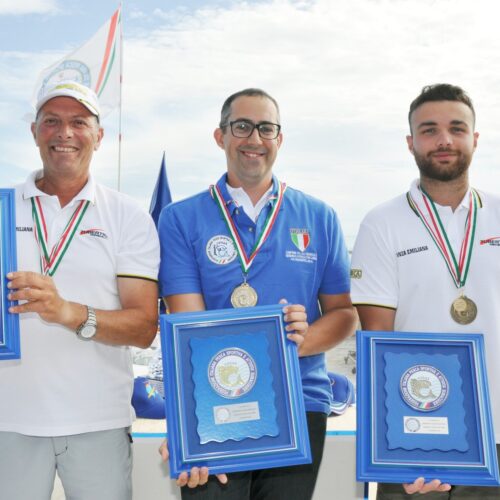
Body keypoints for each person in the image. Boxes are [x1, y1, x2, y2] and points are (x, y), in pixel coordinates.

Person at [158, 88, 356, 499]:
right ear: (221, 136)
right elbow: (187, 326)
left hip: (301, 401)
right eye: (242, 126)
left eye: (266, 128)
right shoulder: (180, 219)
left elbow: (343, 314)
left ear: (279, 139)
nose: (254, 139)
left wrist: (301, 341)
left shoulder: (319, 217)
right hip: (214, 405)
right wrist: (185, 425)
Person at [0, 81, 160, 500]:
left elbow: (144, 326)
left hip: (98, 423)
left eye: (78, 122)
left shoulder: (127, 215)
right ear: (34, 131)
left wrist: (66, 311)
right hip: (8, 422)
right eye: (51, 121)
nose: (64, 133)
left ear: (99, 135)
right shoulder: (1, 207)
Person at [351, 83, 500, 499]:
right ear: (411, 142)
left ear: (475, 137)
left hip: (498, 432)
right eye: (429, 130)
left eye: (456, 128)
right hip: (417, 434)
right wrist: (397, 445)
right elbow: (377, 340)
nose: (444, 140)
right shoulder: (381, 223)